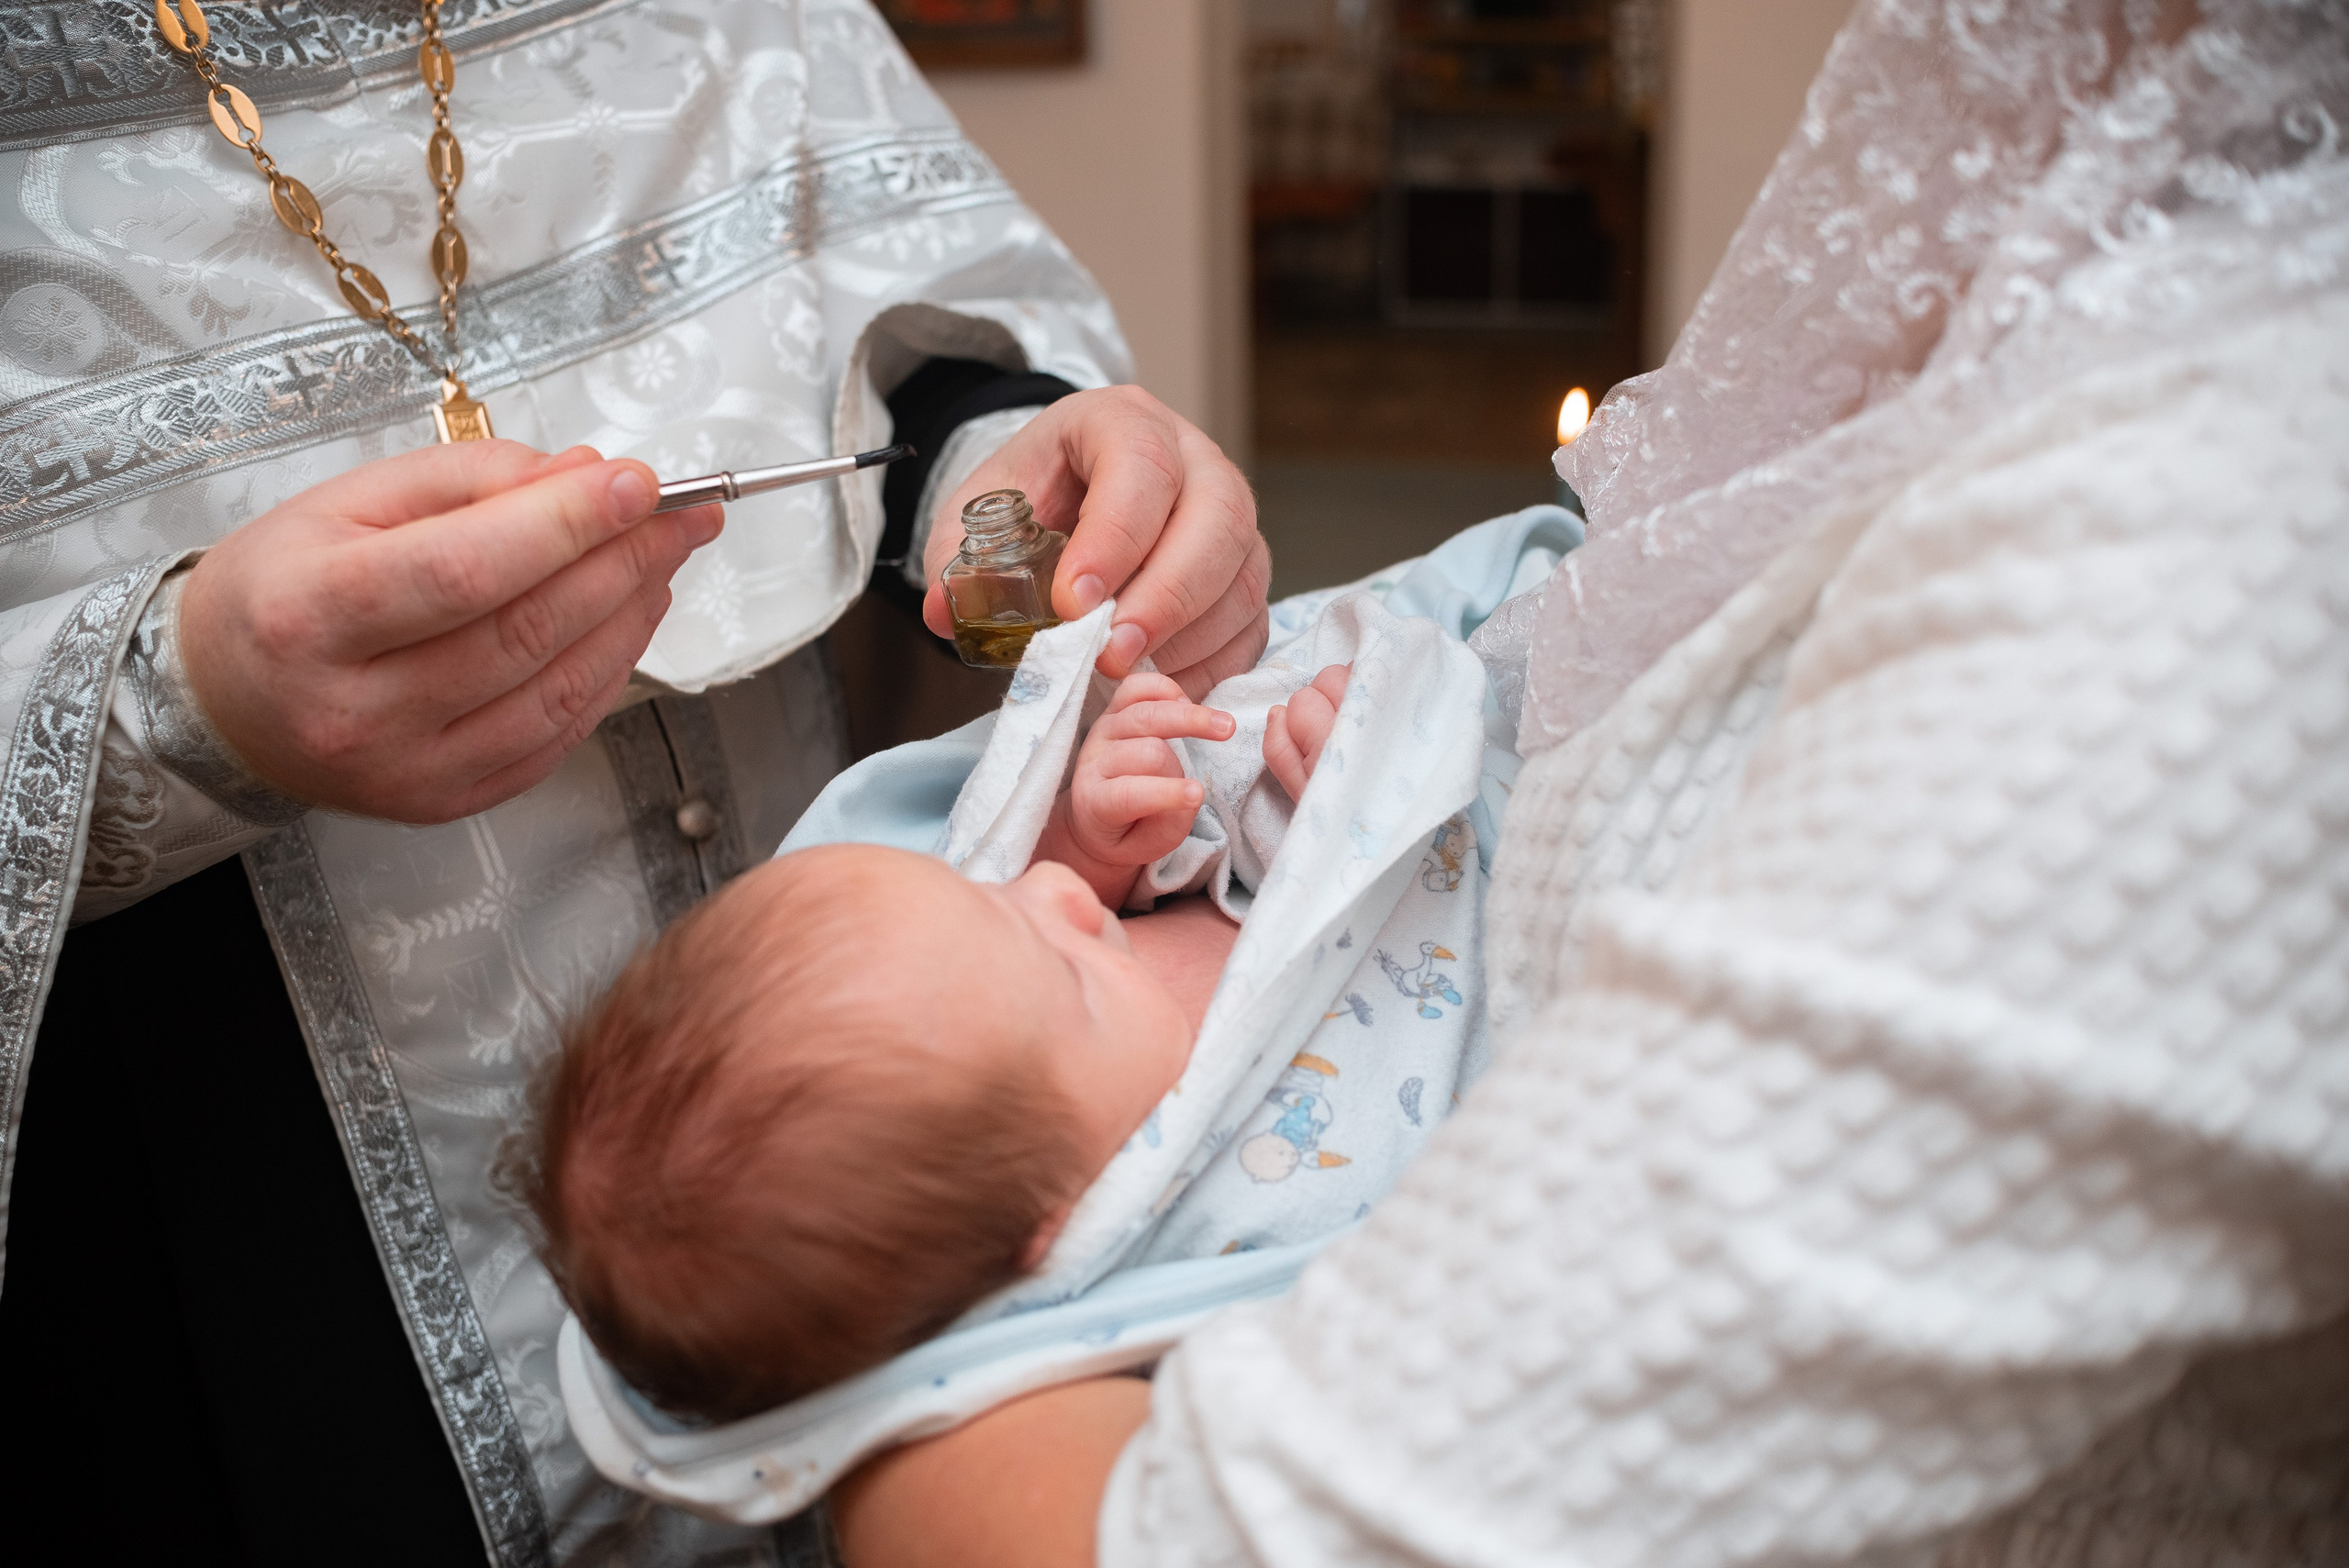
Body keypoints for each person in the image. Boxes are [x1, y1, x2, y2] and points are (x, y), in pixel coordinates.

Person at [828, 2, 2349, 1565]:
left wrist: (1258, 794)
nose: (1073, 920)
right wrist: (1184, 817)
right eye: (1058, 945)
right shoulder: (1083, 1103)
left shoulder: (2219, 564)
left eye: (1057, 919)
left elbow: (1212, 1524)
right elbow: (1141, 904)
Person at [0, 4, 1265, 1564]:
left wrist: (1013, 512)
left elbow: (894, 367)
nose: (1071, 904)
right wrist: (171, 706)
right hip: (221, 1254)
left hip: (933, 1171)